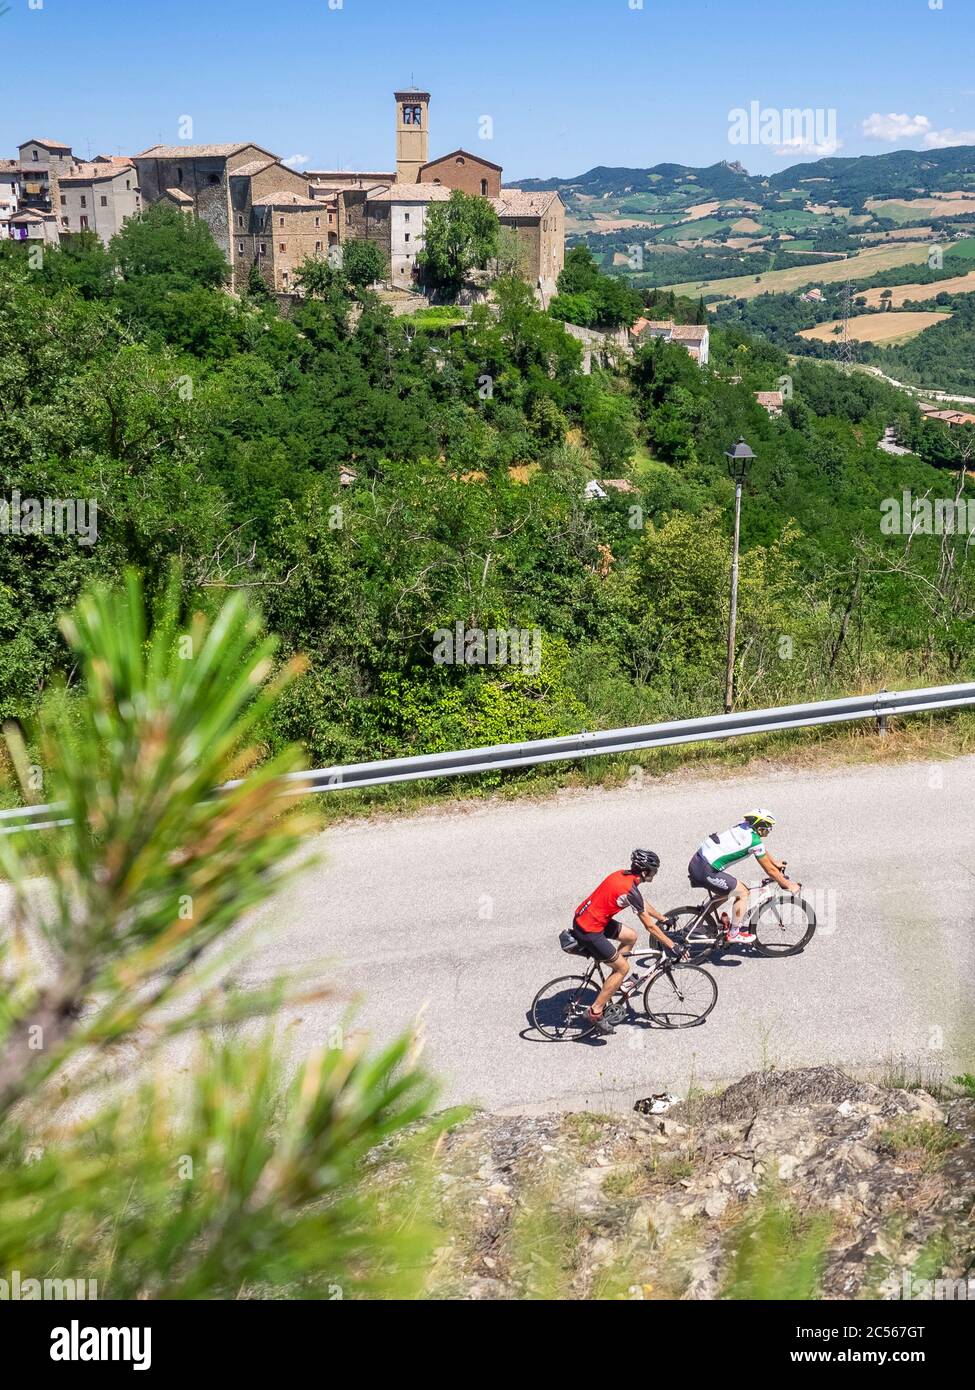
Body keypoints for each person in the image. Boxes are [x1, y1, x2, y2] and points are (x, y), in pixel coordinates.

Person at [572, 849, 681, 1036]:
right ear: (645, 872)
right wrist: (673, 945)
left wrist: (663, 918)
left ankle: (614, 978)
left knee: (630, 936)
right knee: (623, 969)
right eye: (654, 870)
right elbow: (650, 928)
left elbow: (640, 902)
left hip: (589, 919)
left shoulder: (622, 875)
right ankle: (595, 1012)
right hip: (589, 930)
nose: (655, 873)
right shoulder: (629, 889)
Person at [687, 808, 799, 943]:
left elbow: (761, 849)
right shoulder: (754, 841)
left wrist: (774, 862)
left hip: (698, 861)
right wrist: (787, 885)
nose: (769, 830)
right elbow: (770, 871)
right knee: (743, 893)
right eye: (768, 826)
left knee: (726, 892)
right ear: (760, 825)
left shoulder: (743, 826)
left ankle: (695, 923)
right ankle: (734, 934)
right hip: (706, 870)